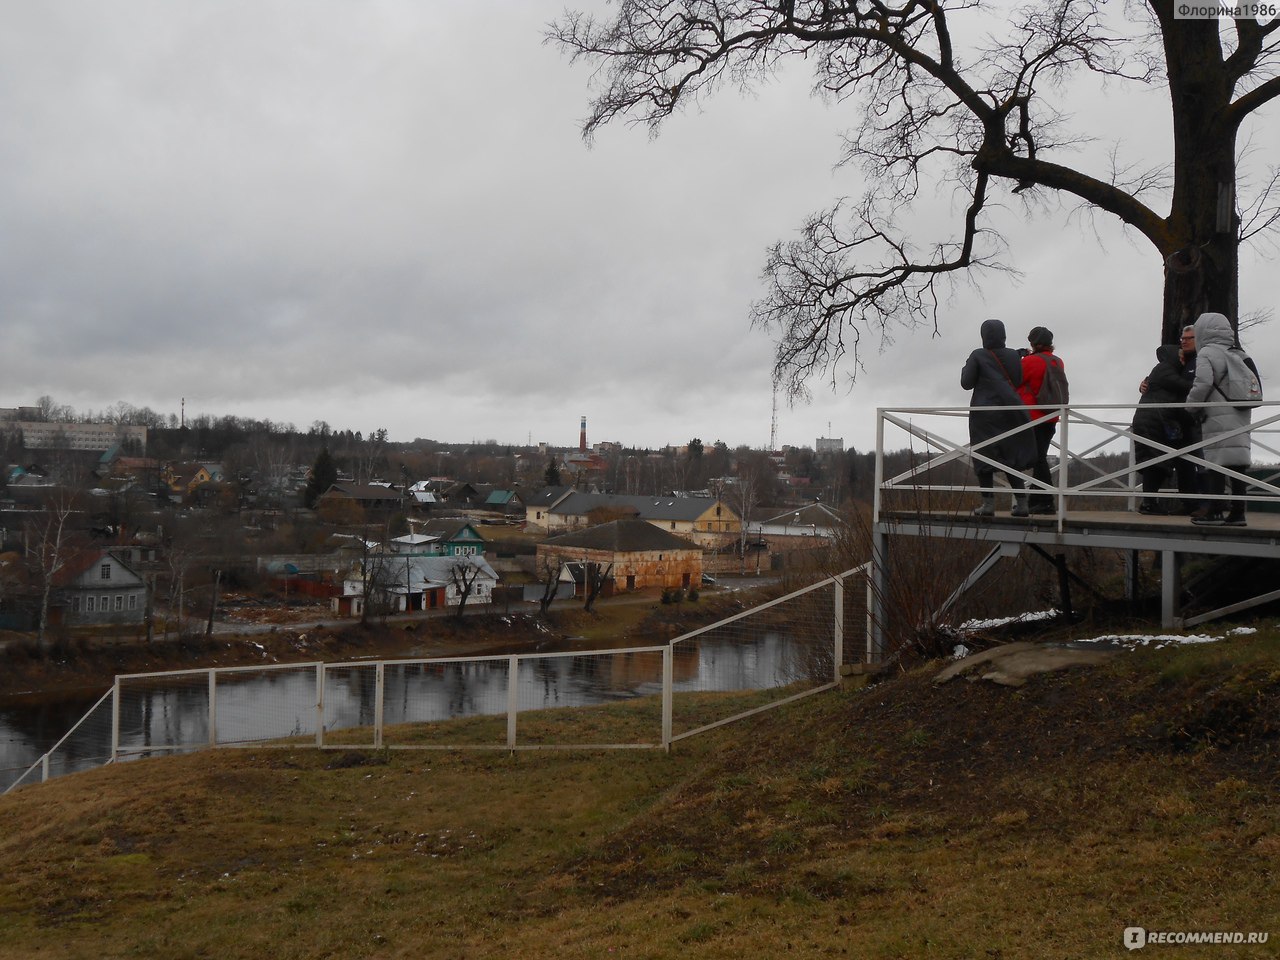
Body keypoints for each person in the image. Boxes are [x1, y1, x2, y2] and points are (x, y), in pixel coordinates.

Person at [961, 319, 1036, 517]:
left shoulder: (978, 355)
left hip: (985, 414)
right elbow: (1018, 380)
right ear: (1003, 334)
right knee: (1011, 458)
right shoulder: (1013, 355)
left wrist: (966, 366)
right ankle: (1022, 504)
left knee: (983, 457)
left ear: (983, 335)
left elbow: (966, 383)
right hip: (1012, 409)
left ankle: (988, 506)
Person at [1186, 311, 1252, 526]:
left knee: (1215, 462)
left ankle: (1214, 511)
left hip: (1217, 414)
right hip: (1239, 412)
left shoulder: (1207, 353)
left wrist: (1190, 406)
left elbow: (1203, 383)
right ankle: (1238, 513)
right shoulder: (1238, 353)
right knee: (1237, 463)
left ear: (1204, 331)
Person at [1131, 344, 1197, 514]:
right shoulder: (1165, 370)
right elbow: (1184, 386)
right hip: (1153, 421)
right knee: (1155, 462)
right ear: (1175, 356)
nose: (1183, 361)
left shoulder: (1163, 369)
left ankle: (1150, 503)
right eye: (1181, 357)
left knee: (1157, 462)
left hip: (1155, 420)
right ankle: (1148, 503)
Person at [1016, 326, 1065, 514]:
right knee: (1039, 457)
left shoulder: (1029, 362)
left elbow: (1014, 380)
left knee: (1037, 459)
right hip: (1051, 416)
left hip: (1033, 417)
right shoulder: (1057, 361)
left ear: (1033, 343)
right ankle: (1036, 500)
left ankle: (1045, 501)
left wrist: (1020, 358)